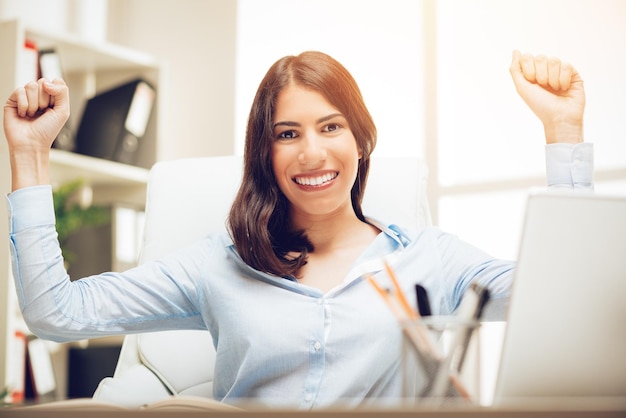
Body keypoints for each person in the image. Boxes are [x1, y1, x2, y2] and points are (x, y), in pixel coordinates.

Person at [3, 50, 592, 409]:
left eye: (330, 126)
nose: (311, 152)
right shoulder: (219, 263)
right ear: (265, 153)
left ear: (360, 141)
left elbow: (563, 295)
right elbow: (58, 313)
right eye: (287, 134)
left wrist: (563, 132)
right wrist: (29, 156)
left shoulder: (428, 259)